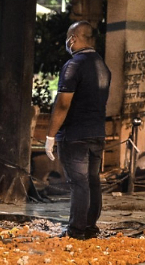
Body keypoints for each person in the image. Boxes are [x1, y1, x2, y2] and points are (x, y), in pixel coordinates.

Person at [45, 21, 111, 240]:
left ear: (73, 38)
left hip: (75, 135)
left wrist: (50, 135)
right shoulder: (103, 66)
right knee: (93, 180)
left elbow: (63, 104)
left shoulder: (74, 65)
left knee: (79, 183)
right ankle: (90, 227)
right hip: (97, 132)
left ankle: (76, 230)